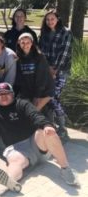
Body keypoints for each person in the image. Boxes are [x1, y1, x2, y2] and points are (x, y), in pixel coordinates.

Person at [0, 82, 79, 192]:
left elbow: (35, 115)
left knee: (48, 132)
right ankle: (11, 181)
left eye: (6, 93)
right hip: (17, 149)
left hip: (35, 142)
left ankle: (66, 169)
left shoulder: (22, 104)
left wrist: (46, 125)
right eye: (0, 94)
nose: (3, 96)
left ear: (12, 94)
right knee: (15, 162)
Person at [39, 10, 73, 139]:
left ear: (57, 19)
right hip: (47, 70)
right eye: (47, 19)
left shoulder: (66, 32)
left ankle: (62, 127)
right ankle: (54, 125)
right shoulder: (44, 33)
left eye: (52, 19)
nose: (50, 22)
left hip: (61, 71)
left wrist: (55, 70)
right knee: (50, 98)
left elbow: (65, 53)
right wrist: (47, 68)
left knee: (53, 97)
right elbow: (41, 52)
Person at [14, 33, 54, 113]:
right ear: (19, 43)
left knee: (33, 113)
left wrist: (37, 96)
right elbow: (20, 78)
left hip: (44, 91)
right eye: (23, 43)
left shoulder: (39, 57)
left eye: (28, 42)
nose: (25, 45)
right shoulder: (17, 58)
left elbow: (42, 78)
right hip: (28, 91)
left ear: (32, 43)